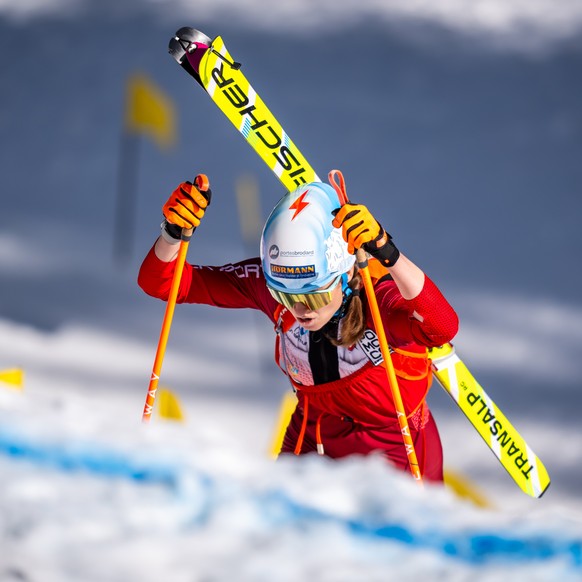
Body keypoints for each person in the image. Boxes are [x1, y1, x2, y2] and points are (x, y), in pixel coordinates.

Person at [138, 174, 459, 482]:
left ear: (345, 274)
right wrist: (172, 234)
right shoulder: (270, 285)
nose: (299, 309)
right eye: (284, 294)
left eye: (313, 294)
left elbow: (442, 327)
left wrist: (389, 253)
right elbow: (163, 283)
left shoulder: (380, 301)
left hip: (393, 451)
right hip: (311, 435)